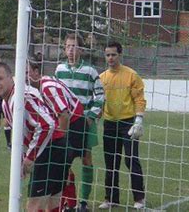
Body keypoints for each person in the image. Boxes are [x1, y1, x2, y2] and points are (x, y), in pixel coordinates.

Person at [0, 61, 69, 212]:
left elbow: (47, 125)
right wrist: (20, 159)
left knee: (34, 207)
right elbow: (20, 133)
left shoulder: (22, 97)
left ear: (10, 77)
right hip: (54, 147)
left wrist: (29, 157)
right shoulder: (7, 101)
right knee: (53, 204)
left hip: (52, 148)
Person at [27, 56, 87, 211]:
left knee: (61, 166)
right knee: (62, 169)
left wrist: (61, 142)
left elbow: (64, 114)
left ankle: (69, 205)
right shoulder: (44, 85)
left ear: (35, 72)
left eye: (26, 73)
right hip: (74, 122)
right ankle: (69, 204)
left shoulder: (47, 87)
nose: (23, 78)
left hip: (75, 124)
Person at [55, 33, 104, 212]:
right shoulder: (59, 69)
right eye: (67, 46)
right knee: (64, 162)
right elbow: (55, 94)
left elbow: (100, 95)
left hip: (84, 123)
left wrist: (91, 115)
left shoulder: (90, 71)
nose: (70, 50)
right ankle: (69, 202)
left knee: (86, 159)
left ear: (81, 49)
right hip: (66, 123)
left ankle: (83, 202)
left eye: (74, 46)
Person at [99, 41, 146, 210]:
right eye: (108, 55)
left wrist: (139, 119)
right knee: (111, 162)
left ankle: (139, 198)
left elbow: (139, 98)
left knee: (131, 160)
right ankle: (111, 198)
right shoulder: (102, 78)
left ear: (120, 55)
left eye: (113, 54)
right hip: (109, 123)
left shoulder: (131, 75)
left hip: (128, 123)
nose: (110, 58)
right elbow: (99, 101)